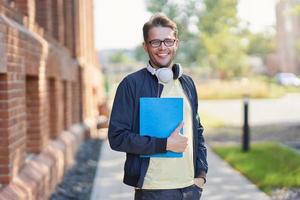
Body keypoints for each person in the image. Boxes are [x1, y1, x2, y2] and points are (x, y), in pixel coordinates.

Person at [108, 13, 208, 200]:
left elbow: (198, 131)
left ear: (176, 43)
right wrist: (165, 144)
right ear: (145, 46)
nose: (163, 47)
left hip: (190, 189)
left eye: (168, 41)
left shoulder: (187, 83)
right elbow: (117, 137)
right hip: (153, 190)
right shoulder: (131, 84)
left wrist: (201, 174)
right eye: (155, 42)